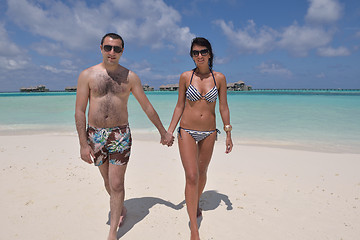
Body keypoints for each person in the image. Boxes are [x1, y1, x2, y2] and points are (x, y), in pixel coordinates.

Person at [75, 33, 174, 240]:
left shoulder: (130, 77)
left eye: (117, 49)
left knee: (117, 183)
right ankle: (120, 207)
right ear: (101, 48)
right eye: (108, 48)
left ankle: (112, 232)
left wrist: (163, 132)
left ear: (122, 51)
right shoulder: (87, 75)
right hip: (95, 135)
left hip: (120, 135)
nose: (112, 52)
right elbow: (79, 111)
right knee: (107, 182)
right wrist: (83, 144)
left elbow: (146, 106)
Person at [167, 37, 233, 240]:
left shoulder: (219, 78)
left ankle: (194, 203)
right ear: (192, 56)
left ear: (210, 53)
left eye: (203, 52)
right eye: (195, 53)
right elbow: (179, 106)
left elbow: (223, 106)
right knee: (192, 175)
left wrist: (228, 132)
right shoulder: (186, 77)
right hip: (186, 130)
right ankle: (193, 227)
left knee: (202, 173)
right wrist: (169, 131)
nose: (200, 56)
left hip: (209, 133)